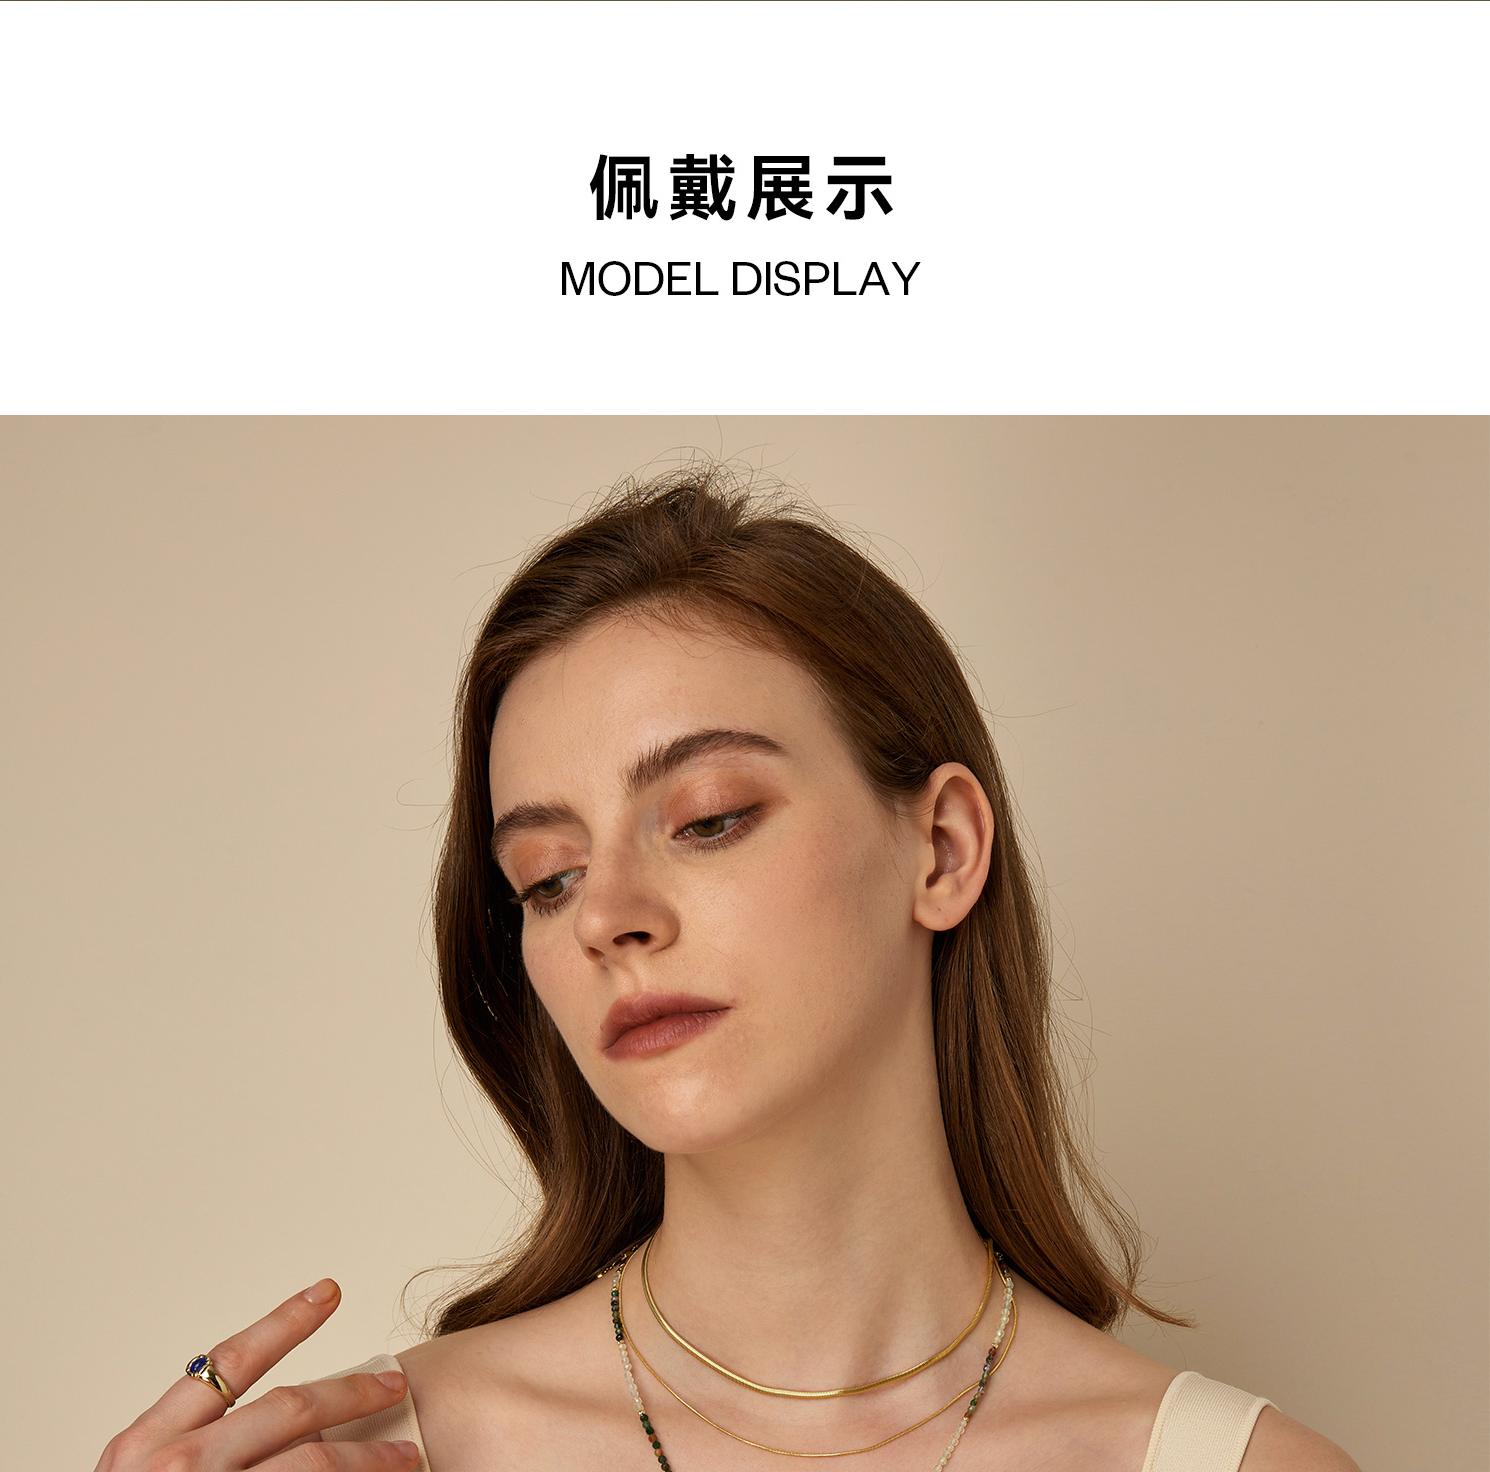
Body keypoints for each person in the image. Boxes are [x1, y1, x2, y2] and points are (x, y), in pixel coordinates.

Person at [96, 468, 1360, 1472]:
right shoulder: (378, 1455)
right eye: (548, 876)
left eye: (707, 818)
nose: (608, 916)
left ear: (941, 847)